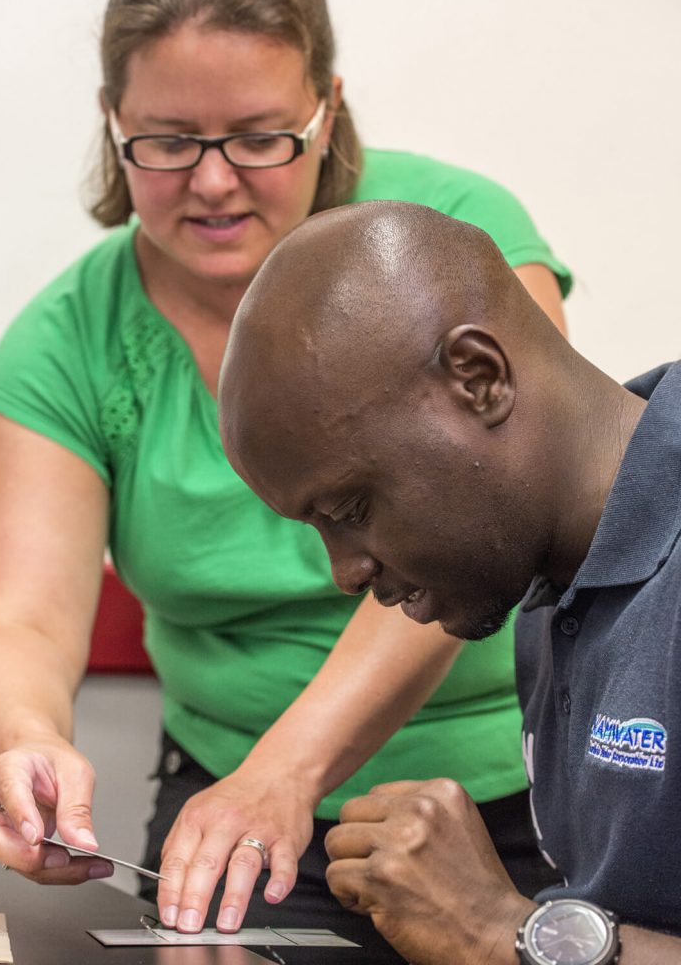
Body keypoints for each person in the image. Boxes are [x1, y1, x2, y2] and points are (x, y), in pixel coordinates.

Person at [0, 0, 570, 949]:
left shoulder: (453, 236)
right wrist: (28, 742)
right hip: (234, 815)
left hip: (524, 801)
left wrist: (285, 772)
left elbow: (477, 530)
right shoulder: (65, 341)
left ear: (325, 110)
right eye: (165, 140)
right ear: (113, 125)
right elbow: (19, 620)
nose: (211, 182)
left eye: (257, 137)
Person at [218, 198, 681, 963]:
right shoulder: (543, 576)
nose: (346, 573)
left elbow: (510, 940)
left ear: (479, 377)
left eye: (353, 507)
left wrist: (493, 930)